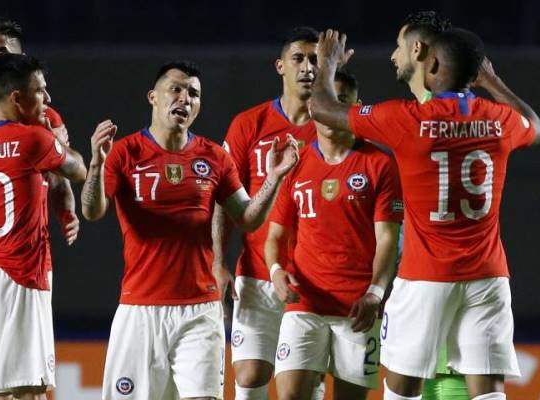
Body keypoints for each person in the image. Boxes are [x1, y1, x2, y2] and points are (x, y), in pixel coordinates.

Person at [310, 28, 540, 399]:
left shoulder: (407, 120)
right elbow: (538, 127)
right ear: (474, 74)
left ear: (432, 63)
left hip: (425, 276)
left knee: (404, 385)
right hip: (488, 275)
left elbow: (321, 108)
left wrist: (328, 63)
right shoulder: (499, 119)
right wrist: (494, 83)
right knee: (488, 389)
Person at [79, 61, 300, 400]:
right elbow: (92, 211)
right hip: (140, 308)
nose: (185, 98)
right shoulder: (125, 152)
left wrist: (274, 177)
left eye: (194, 94)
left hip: (200, 308)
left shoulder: (214, 157)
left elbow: (249, 218)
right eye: (176, 89)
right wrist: (96, 163)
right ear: (153, 97)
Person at [211, 26, 342, 400]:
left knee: (303, 384)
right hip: (256, 272)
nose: (307, 67)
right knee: (251, 375)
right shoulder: (248, 125)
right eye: (298, 58)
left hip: (311, 277)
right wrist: (219, 261)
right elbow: (223, 198)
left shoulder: (333, 130)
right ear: (280, 66)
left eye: (316, 59)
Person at [266, 70, 402, 400]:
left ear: (357, 106)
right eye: (328, 99)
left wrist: (375, 292)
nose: (333, 107)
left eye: (343, 100)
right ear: (313, 106)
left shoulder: (379, 164)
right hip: (305, 304)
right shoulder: (296, 163)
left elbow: (388, 238)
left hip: (358, 308)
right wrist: (276, 271)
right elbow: (274, 235)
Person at [0, 53, 86, 399]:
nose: (47, 99)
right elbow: (78, 168)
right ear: (17, 98)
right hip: (20, 277)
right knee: (27, 392)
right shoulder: (32, 139)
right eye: (40, 91)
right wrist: (56, 137)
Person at [388, 11, 471, 399]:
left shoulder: (426, 117)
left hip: (433, 273)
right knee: (445, 370)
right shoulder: (466, 109)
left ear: (418, 50)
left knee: (425, 378)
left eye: (399, 46)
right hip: (439, 270)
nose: (393, 56)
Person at [0, 16, 80, 246]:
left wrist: (66, 211)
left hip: (27, 252)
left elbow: (60, 179)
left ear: (21, 59)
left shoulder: (46, 117)